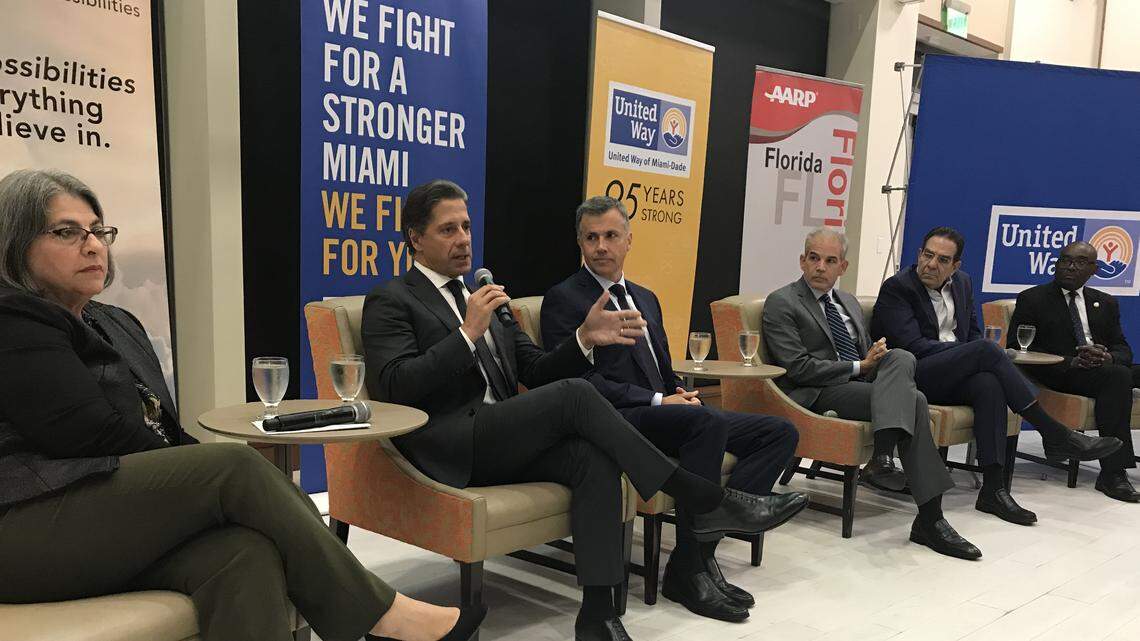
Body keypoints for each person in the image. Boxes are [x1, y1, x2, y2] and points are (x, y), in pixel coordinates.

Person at [0, 170, 485, 641]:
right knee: (232, 466)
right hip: (27, 525)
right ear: (16, 243)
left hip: (106, 511)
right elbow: (90, 433)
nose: (92, 245)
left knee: (244, 553)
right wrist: (197, 479)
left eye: (98, 231)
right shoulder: (14, 318)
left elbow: (159, 426)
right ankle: (383, 615)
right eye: (66, 232)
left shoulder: (115, 321)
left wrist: (192, 474)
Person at [361, 179, 808, 641]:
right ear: (415, 238)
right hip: (449, 444)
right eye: (448, 230)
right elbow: (395, 385)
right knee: (575, 394)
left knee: (593, 458)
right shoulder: (393, 299)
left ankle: (598, 615)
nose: (463, 240)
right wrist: (466, 335)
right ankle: (703, 498)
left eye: (467, 227)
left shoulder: (483, 296)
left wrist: (584, 339)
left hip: (500, 437)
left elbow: (536, 370)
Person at [540, 196, 802, 622]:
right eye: (591, 238)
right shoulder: (564, 299)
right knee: (705, 422)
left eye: (611, 236)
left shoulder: (645, 297)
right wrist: (660, 400)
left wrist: (676, 391)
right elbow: (578, 383)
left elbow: (659, 366)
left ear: (629, 240)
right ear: (580, 243)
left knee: (779, 433)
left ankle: (694, 555)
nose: (601, 246)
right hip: (614, 417)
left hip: (666, 411)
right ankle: (692, 571)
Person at [872, 227, 1123, 523]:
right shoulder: (898, 288)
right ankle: (1054, 433)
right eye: (927, 255)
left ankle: (994, 489)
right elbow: (912, 346)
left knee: (988, 383)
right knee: (987, 350)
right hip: (911, 374)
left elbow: (971, 332)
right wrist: (969, 353)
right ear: (919, 254)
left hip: (951, 371)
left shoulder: (962, 283)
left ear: (955, 266)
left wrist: (969, 354)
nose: (931, 264)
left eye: (942, 259)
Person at [763, 227, 980, 560]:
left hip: (860, 382)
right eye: (814, 258)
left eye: (830, 261)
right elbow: (798, 368)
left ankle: (883, 461)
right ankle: (929, 517)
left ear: (843, 267)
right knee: (916, 400)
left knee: (902, 356)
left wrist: (873, 356)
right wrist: (859, 366)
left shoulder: (847, 301)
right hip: (818, 391)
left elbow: (867, 352)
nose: (820, 267)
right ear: (802, 261)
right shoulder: (783, 302)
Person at [1007, 240, 1137, 502]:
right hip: (1058, 371)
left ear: (1094, 269)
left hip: (1099, 369)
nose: (1070, 267)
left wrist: (1108, 356)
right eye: (1065, 260)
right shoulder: (1033, 298)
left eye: (1080, 262)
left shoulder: (1105, 302)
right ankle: (1113, 473)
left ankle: (1113, 466)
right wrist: (1070, 361)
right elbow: (1017, 349)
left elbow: (1122, 346)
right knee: (1119, 377)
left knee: (1119, 372)